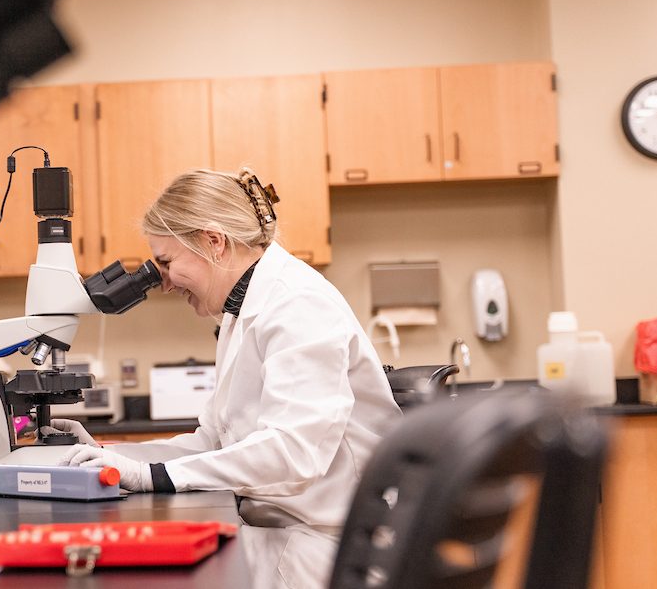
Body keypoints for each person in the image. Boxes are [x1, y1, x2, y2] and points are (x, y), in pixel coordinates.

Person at [45, 168, 402, 589]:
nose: (163, 283)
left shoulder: (297, 304)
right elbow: (212, 442)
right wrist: (112, 456)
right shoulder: (240, 313)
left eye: (167, 262)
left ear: (213, 242)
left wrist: (151, 476)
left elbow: (292, 453)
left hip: (329, 553)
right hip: (282, 534)